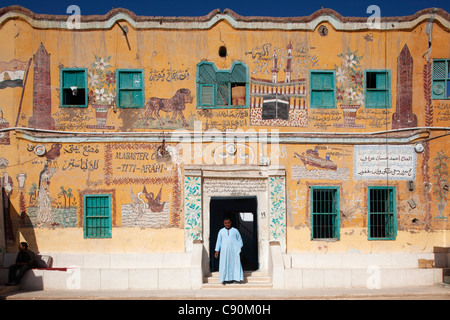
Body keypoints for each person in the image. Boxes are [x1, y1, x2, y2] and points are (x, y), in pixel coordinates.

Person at [214, 217, 243, 284]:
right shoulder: (221, 231)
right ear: (224, 223)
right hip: (224, 252)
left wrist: (238, 248)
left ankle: (236, 279)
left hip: (234, 252)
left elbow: (240, 240)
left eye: (228, 223)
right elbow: (219, 241)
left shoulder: (235, 231)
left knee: (235, 264)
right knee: (224, 264)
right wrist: (217, 250)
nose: (227, 224)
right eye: (225, 223)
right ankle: (225, 279)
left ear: (231, 223)